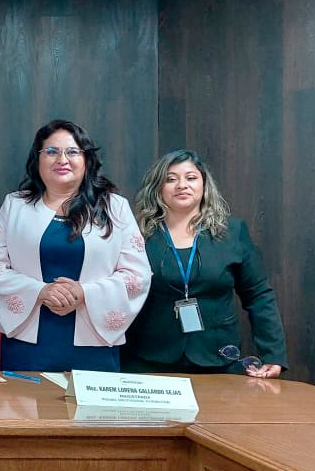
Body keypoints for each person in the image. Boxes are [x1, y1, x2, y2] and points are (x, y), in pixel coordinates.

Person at [0, 119, 151, 372]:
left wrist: (84, 293)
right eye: (51, 151)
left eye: (72, 152)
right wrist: (40, 291)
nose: (62, 159)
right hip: (28, 338)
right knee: (26, 407)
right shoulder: (15, 206)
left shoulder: (116, 207)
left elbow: (138, 275)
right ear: (37, 160)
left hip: (94, 338)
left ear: (86, 160)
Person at [123, 149, 287, 377]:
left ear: (204, 185)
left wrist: (273, 354)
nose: (182, 185)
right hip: (148, 358)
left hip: (218, 359)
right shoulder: (137, 234)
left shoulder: (232, 232)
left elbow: (259, 295)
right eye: (171, 179)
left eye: (191, 178)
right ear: (158, 188)